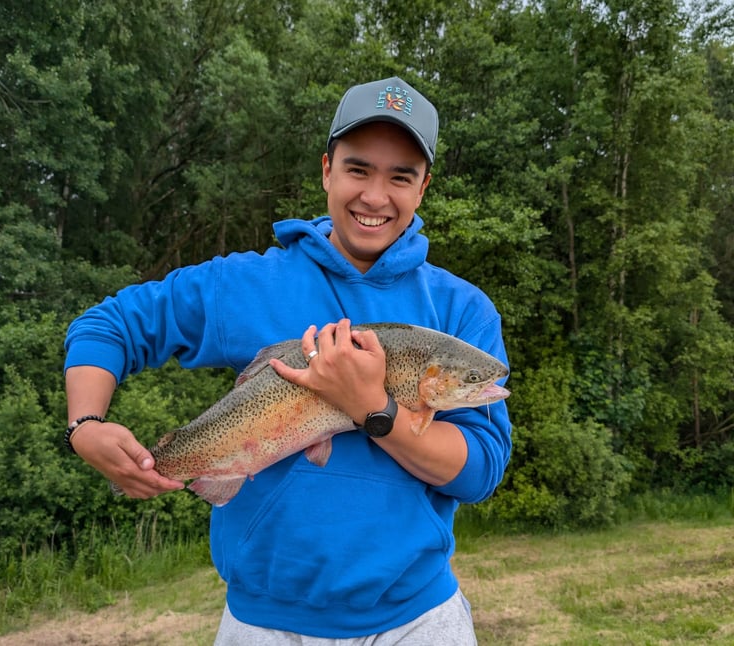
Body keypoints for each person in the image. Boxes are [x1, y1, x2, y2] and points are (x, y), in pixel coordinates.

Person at [64, 76, 512, 645]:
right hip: (263, 624)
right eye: (358, 169)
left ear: (423, 188)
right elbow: (108, 324)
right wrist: (86, 426)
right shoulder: (244, 284)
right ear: (326, 170)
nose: (375, 196)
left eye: (401, 176)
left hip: (418, 621)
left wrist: (372, 407)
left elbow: (479, 472)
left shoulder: (461, 309)